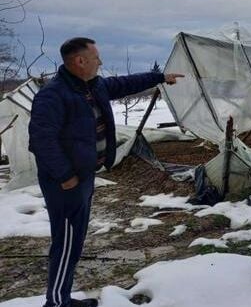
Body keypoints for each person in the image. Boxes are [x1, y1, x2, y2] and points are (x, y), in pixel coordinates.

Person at [28, 37, 184, 307]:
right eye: (96, 57)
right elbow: (41, 141)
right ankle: (56, 303)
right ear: (80, 61)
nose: (100, 62)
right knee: (65, 243)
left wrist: (160, 76)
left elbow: (125, 83)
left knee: (74, 241)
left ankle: (62, 299)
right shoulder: (53, 95)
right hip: (64, 183)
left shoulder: (93, 86)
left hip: (83, 177)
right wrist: (65, 177)